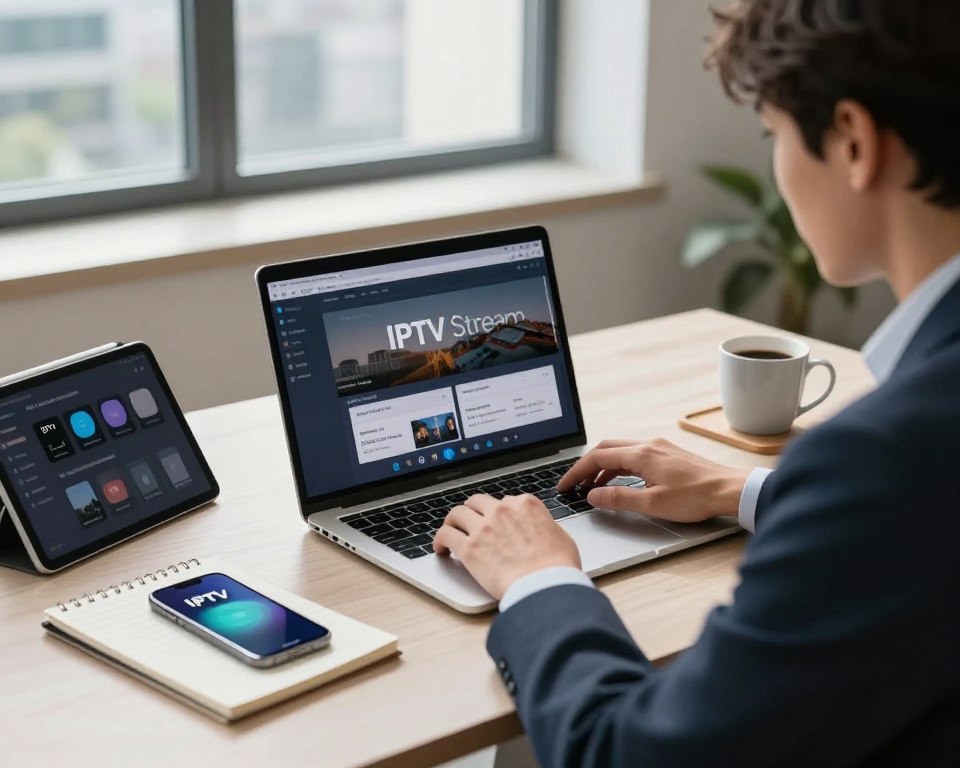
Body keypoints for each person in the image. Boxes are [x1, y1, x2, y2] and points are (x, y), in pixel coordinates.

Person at [433, 1, 960, 764]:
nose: (776, 167)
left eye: (772, 135)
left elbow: (626, 754)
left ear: (853, 140)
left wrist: (538, 579)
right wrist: (742, 490)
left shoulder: (887, 459)